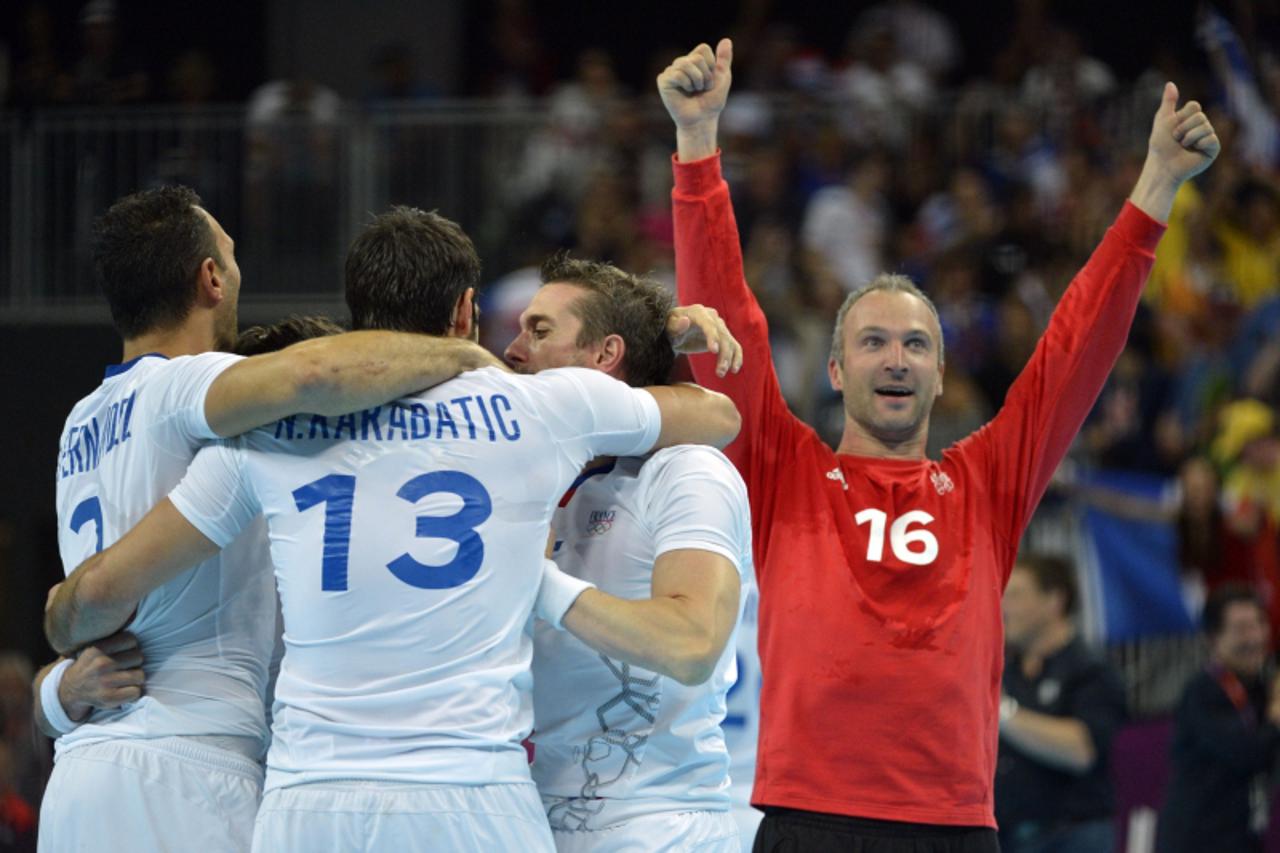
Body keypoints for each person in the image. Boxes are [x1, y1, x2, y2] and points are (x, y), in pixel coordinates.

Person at [658, 38, 1220, 850]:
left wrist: (1157, 183)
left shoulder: (989, 479)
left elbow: (1073, 353)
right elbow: (725, 329)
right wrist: (698, 146)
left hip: (953, 826)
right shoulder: (786, 471)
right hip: (809, 819)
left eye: (916, 344)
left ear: (942, 371)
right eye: (875, 342)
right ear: (837, 370)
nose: (896, 358)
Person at [45, 206, 742, 853]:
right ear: (468, 311)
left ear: (357, 314)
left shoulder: (262, 434)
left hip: (307, 798)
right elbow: (715, 414)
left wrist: (61, 642)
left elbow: (103, 587)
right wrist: (652, 343)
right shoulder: (540, 407)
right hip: (470, 790)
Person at [35, 186, 508, 853]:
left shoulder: (81, 420)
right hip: (185, 767)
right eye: (231, 255)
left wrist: (55, 683)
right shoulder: (187, 385)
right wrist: (469, 359)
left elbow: (78, 607)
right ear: (210, 278)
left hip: (81, 777)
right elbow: (313, 375)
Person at [503, 254, 752, 852]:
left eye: (539, 331)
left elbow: (691, 643)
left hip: (658, 826)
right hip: (531, 820)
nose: (512, 351)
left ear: (604, 354)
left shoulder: (688, 470)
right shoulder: (535, 471)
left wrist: (531, 579)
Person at [996, 554, 1127, 853]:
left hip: (1071, 837)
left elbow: (1081, 750)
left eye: (1016, 594)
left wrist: (1000, 712)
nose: (1004, 606)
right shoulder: (1007, 667)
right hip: (1009, 835)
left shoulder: (1091, 670)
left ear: (1054, 600)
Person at [1157, 585, 1280, 853]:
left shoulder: (1260, 687)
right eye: (1241, 629)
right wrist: (1276, 715)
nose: (1255, 638)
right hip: (1198, 842)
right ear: (1213, 639)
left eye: (1259, 624)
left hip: (1243, 837)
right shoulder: (1205, 691)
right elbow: (1248, 753)